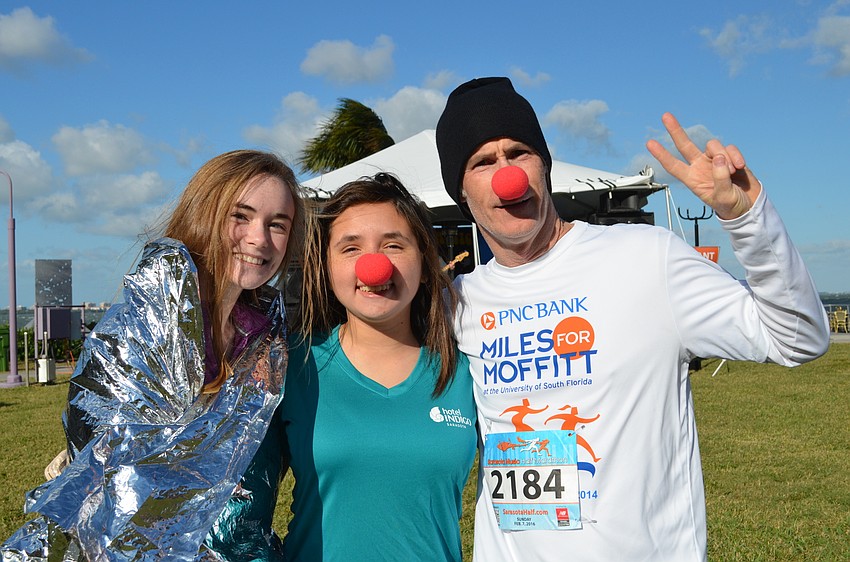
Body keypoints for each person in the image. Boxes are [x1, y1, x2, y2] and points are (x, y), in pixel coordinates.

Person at [434, 77, 830, 561]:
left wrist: (747, 221)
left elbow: (797, 338)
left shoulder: (644, 259)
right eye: (483, 162)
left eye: (519, 152)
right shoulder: (456, 305)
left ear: (545, 166)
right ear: (461, 191)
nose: (507, 176)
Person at [0, 150, 306, 561]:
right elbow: (109, 471)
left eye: (277, 225)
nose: (258, 238)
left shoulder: (268, 338)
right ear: (205, 214)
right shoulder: (144, 324)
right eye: (241, 216)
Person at [208, 173, 477, 561]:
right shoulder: (287, 366)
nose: (374, 266)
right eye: (350, 248)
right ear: (327, 265)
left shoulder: (466, 369)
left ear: (423, 257)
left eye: (394, 245)